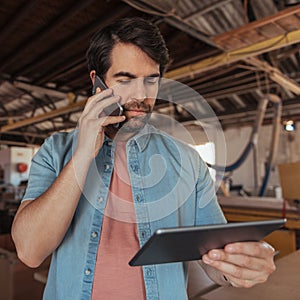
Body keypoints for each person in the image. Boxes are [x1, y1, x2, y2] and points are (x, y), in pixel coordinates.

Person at [12, 17, 276, 300]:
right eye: (125, 80)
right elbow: (30, 252)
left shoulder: (187, 161)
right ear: (96, 82)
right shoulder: (56, 150)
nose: (141, 95)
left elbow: (212, 257)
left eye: (151, 80)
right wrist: (83, 154)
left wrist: (236, 266)